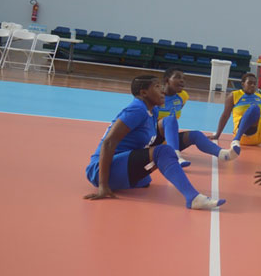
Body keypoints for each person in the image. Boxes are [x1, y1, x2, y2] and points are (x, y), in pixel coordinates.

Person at [83, 75, 224, 210]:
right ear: (144, 92)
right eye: (157, 87)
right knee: (164, 151)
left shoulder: (153, 111)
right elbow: (108, 143)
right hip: (101, 170)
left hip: (122, 163)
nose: (162, 90)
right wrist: (103, 184)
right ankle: (193, 198)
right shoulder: (136, 110)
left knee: (149, 176)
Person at [153, 68, 239, 166]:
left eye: (184, 78)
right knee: (169, 119)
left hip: (167, 141)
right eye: (177, 77)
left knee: (196, 134)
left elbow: (177, 111)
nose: (182, 80)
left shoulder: (183, 96)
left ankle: (224, 154)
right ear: (167, 80)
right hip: (151, 138)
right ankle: (175, 156)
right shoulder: (156, 96)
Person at [210, 72, 261, 152]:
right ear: (243, 84)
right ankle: (236, 140)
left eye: (254, 83)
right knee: (254, 108)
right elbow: (225, 115)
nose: (252, 85)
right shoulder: (234, 95)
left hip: (259, 136)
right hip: (244, 135)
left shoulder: (259, 97)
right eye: (249, 83)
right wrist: (217, 134)